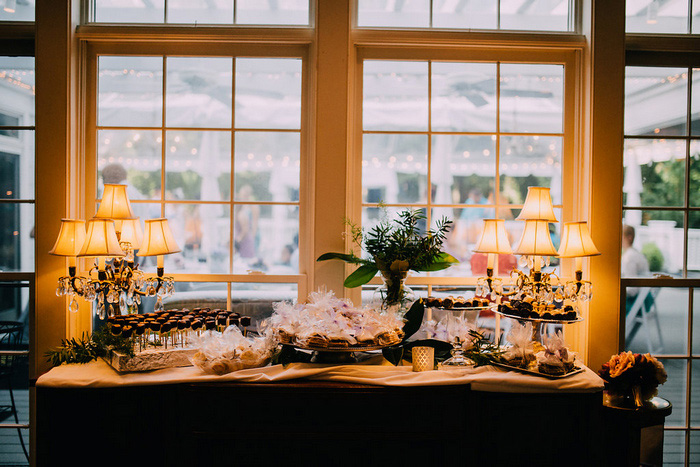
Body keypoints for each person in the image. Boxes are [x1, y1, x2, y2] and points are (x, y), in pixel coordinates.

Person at [621, 224, 650, 312]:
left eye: (621, 236)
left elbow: (632, 290)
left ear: (629, 238)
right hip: (644, 301)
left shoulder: (630, 257)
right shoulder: (634, 253)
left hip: (635, 303)